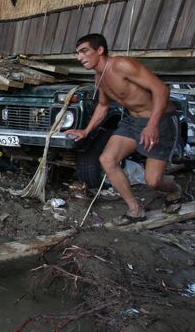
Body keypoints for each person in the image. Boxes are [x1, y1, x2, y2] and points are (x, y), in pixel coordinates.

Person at [66, 33, 181, 225]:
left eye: (84, 51)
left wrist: (152, 124)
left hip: (159, 121)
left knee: (153, 181)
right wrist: (86, 131)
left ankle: (174, 189)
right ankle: (135, 210)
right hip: (131, 122)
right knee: (107, 159)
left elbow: (161, 89)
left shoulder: (122, 65)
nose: (79, 57)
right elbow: (103, 106)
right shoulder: (99, 77)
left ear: (100, 50)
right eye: (78, 53)